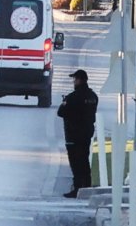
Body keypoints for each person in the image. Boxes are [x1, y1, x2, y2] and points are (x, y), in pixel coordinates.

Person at [57, 69, 99, 197]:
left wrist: (65, 103)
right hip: (86, 134)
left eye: (75, 79)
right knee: (84, 160)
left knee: (76, 163)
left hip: (73, 135)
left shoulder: (73, 97)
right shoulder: (93, 97)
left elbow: (61, 112)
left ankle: (78, 188)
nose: (74, 82)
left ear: (79, 80)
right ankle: (86, 186)